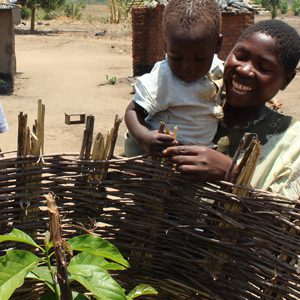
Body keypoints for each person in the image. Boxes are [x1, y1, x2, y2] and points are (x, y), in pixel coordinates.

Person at [163, 19, 300, 199]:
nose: (244, 70)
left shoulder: (292, 144)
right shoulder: (188, 105)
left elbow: (284, 220)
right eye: (240, 57)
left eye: (264, 67)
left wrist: (233, 174)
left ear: (286, 80)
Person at [124, 0, 223, 157]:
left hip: (195, 157)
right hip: (154, 156)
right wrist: (145, 137)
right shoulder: (163, 78)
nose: (187, 67)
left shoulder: (218, 73)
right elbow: (132, 111)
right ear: (166, 47)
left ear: (218, 45)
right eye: (176, 58)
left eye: (199, 59)